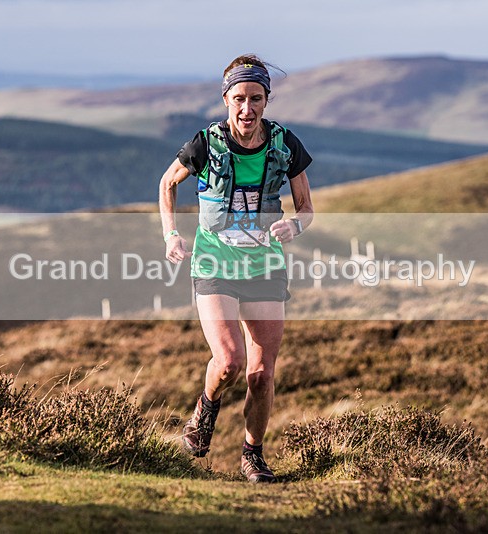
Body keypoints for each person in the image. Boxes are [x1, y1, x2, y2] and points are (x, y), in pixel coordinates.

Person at [158, 54, 313, 484]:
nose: (247, 109)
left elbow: (306, 207)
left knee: (262, 375)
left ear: (267, 100)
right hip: (215, 263)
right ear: (226, 98)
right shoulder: (206, 143)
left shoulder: (285, 144)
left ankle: (252, 456)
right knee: (229, 362)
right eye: (239, 98)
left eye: (256, 99)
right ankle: (204, 413)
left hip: (265, 266)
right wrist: (171, 234)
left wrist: (295, 224)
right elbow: (167, 182)